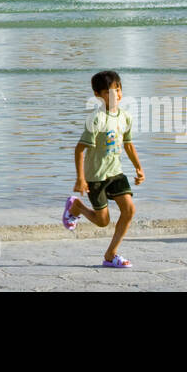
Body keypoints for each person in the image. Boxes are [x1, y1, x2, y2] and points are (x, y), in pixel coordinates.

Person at [61, 70, 144, 268]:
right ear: (98, 94)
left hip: (116, 173)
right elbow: (80, 149)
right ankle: (77, 207)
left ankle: (110, 254)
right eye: (109, 92)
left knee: (129, 210)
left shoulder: (126, 117)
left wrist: (139, 168)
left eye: (118, 89)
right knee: (102, 221)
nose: (115, 95)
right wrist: (80, 178)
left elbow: (129, 145)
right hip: (95, 176)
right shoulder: (96, 119)